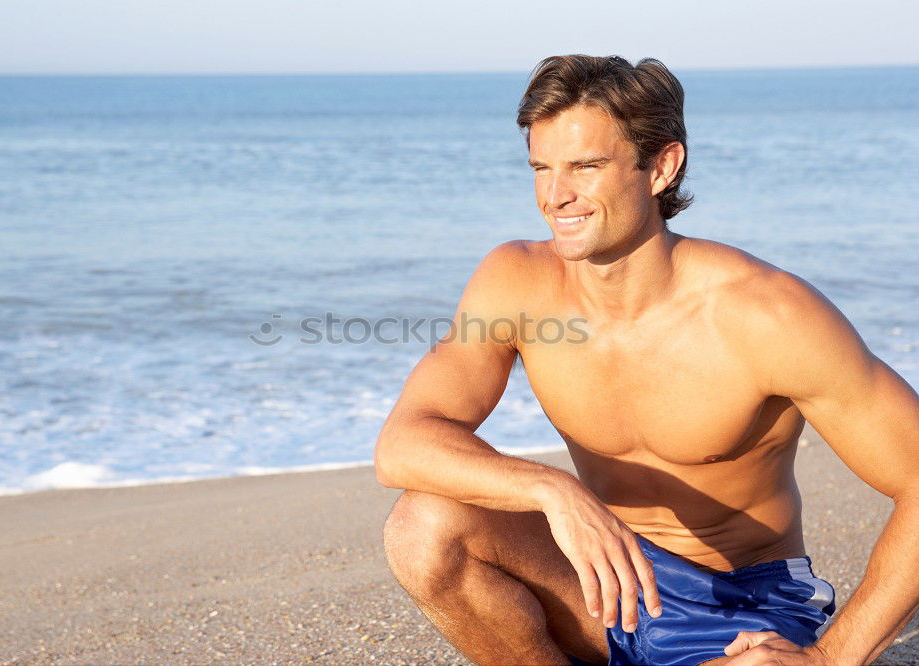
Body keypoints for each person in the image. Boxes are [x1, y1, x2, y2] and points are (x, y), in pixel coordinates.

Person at [373, 55, 919, 665]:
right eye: (541, 168)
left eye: (585, 166)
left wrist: (830, 659)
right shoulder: (516, 281)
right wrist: (554, 491)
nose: (556, 196)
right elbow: (404, 444)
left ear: (661, 167)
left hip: (742, 607)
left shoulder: (765, 314)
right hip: (606, 588)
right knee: (423, 527)